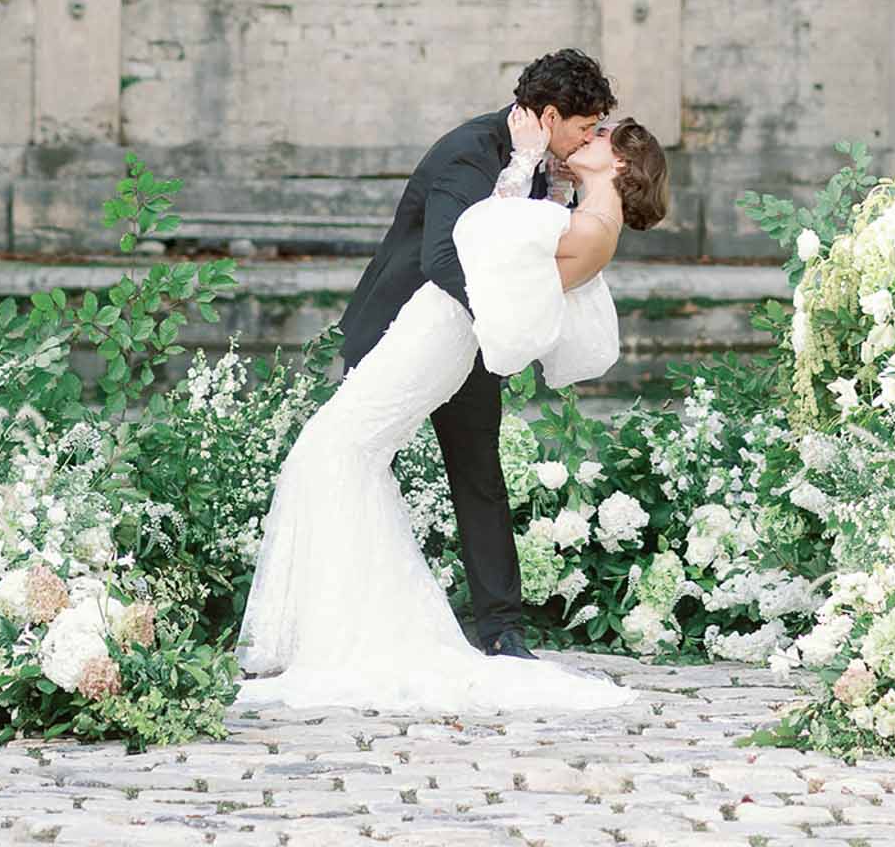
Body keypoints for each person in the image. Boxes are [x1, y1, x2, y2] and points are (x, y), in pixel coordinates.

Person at [233, 62, 670, 716]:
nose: (586, 140)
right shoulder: (467, 153)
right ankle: (332, 629)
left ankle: (497, 631)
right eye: (582, 127)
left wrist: (498, 315)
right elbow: (444, 259)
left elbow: (525, 258)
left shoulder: (557, 184)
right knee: (343, 461)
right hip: (411, 327)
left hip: (458, 337)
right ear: (548, 118)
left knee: (470, 473)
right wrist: (496, 311)